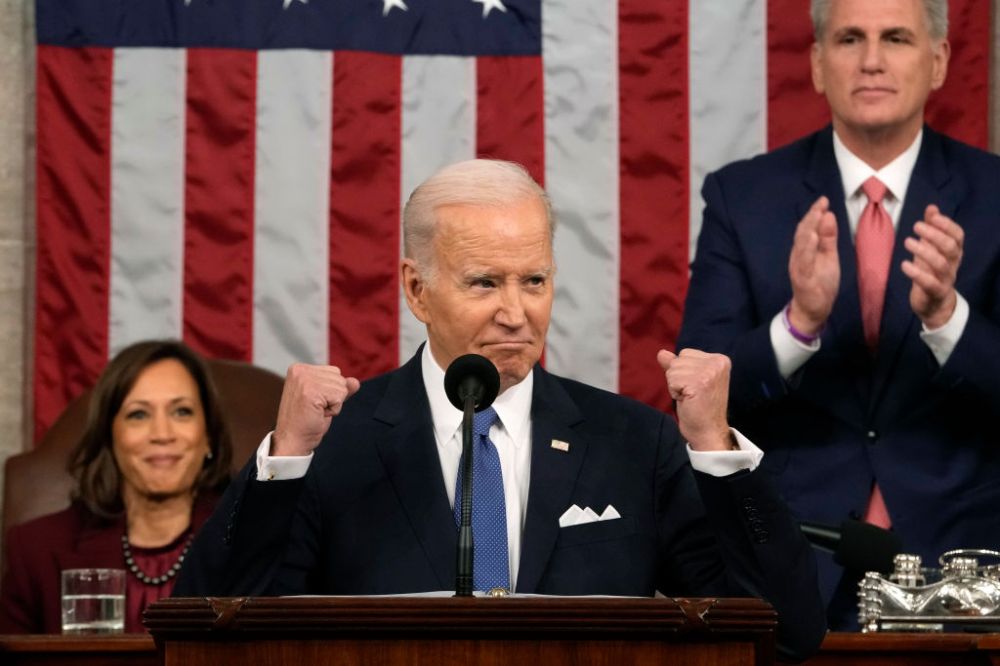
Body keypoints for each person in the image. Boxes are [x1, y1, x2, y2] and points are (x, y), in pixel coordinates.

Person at [175, 159, 825, 659]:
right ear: (416, 290)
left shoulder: (632, 441)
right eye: (484, 282)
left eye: (534, 281)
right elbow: (205, 626)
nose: (516, 314)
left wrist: (716, 450)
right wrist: (284, 460)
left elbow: (787, 632)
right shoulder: (335, 443)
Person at [677, 0, 1000, 629]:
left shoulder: (995, 196)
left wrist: (946, 318)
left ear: (937, 62)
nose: (872, 61)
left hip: (965, 566)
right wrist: (798, 324)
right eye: (850, 38)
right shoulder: (742, 197)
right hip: (795, 560)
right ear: (819, 65)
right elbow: (697, 392)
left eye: (897, 39)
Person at [0, 340, 233, 633]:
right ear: (110, 437)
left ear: (208, 435)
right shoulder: (35, 549)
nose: (161, 434)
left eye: (182, 412)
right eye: (138, 414)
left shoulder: (250, 543)